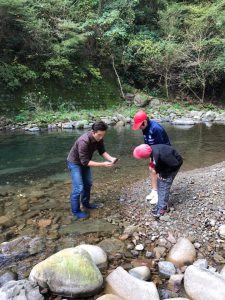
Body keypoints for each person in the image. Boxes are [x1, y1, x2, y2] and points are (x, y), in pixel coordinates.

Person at [67, 121, 117, 219]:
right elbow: (85, 162)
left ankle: (86, 204)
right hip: (75, 163)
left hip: (84, 162)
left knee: (88, 183)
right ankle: (76, 211)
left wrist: (111, 159)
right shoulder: (83, 141)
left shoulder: (99, 138)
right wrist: (103, 164)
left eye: (103, 135)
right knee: (78, 188)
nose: (101, 137)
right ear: (93, 132)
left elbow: (102, 152)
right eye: (99, 135)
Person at [133, 143, 183, 218]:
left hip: (173, 165)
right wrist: (153, 166)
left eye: (142, 157)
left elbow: (175, 164)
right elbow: (154, 160)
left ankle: (163, 208)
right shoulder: (151, 149)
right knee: (159, 183)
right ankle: (160, 204)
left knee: (164, 184)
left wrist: (164, 175)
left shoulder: (163, 155)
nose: (142, 159)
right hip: (166, 164)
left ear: (146, 155)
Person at [132, 110, 171, 205]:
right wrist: (150, 157)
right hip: (153, 152)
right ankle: (154, 191)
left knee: (158, 172)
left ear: (145, 121)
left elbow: (162, 146)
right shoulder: (144, 128)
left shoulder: (156, 129)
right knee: (151, 169)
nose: (139, 128)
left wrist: (159, 161)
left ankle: (159, 194)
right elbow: (147, 143)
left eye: (140, 125)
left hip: (162, 153)